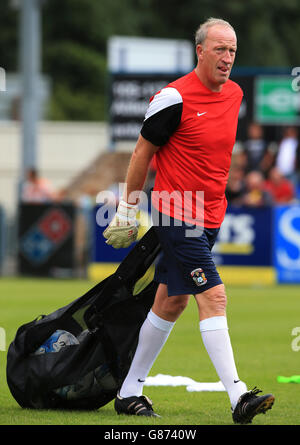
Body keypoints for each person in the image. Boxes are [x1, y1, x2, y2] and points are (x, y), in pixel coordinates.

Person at [103, 18, 275, 424]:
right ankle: (238, 397)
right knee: (213, 295)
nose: (227, 58)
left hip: (211, 214)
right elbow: (141, 154)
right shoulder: (172, 98)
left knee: (172, 300)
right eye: (219, 49)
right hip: (177, 212)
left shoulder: (235, 94)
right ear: (200, 50)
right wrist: (128, 209)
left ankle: (129, 393)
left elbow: (212, 156)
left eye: (232, 50)